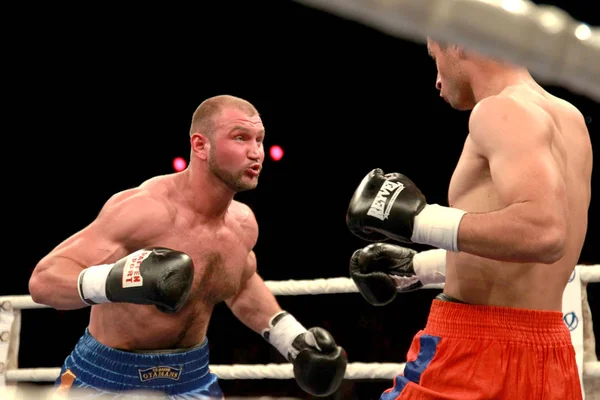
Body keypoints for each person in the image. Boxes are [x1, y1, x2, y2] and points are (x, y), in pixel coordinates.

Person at [29, 94, 347, 399]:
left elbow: (240, 284)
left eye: (259, 140)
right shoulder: (145, 211)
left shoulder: (242, 225)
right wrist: (113, 281)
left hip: (193, 381)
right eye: (240, 138)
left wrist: (291, 338)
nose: (256, 153)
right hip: (107, 380)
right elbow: (44, 281)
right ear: (200, 145)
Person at [345, 38, 592, 399]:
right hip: (551, 358)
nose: (438, 79)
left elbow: (545, 232)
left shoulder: (499, 110)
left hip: (475, 354)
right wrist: (419, 267)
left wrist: (420, 222)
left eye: (435, 57)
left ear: (458, 42)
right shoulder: (569, 119)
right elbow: (533, 259)